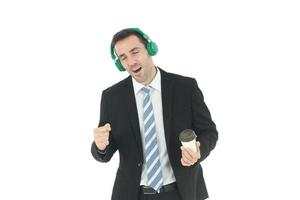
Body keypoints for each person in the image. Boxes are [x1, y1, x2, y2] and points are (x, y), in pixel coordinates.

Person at [91, 28, 218, 200]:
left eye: (134, 52)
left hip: (181, 192)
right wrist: (100, 146)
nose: (131, 61)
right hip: (133, 194)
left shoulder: (185, 87)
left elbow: (209, 132)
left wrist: (199, 150)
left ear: (150, 49)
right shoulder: (112, 97)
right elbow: (105, 149)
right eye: (123, 57)